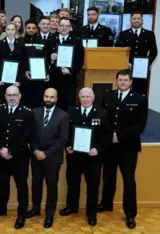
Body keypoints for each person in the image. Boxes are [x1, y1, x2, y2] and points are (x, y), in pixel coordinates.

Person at [98, 70, 148, 229]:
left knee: (128, 180)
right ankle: (106, 204)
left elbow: (139, 125)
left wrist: (119, 136)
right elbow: (102, 117)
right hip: (109, 145)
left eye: (126, 80)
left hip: (128, 146)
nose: (123, 82)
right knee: (108, 176)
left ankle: (130, 213)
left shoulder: (140, 99)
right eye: (120, 80)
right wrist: (109, 136)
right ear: (116, 80)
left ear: (131, 81)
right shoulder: (108, 95)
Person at [60, 87, 112, 226]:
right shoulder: (71, 111)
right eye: (82, 97)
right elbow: (65, 133)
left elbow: (107, 136)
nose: (85, 99)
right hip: (74, 157)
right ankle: (72, 206)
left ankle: (91, 213)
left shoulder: (102, 114)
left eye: (88, 96)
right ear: (79, 98)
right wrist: (67, 146)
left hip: (93, 158)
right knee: (72, 183)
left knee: (93, 187)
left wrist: (98, 149)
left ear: (93, 98)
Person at [0, 86, 34, 229]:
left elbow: (27, 136)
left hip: (19, 157)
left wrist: (11, 151)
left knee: (21, 186)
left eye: (15, 95)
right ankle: (1, 209)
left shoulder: (27, 112)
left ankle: (22, 214)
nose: (12, 97)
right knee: (3, 183)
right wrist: (1, 148)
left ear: (20, 96)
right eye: (9, 95)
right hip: (1, 155)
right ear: (5, 96)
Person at [26, 88, 69, 229]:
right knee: (36, 184)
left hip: (52, 158)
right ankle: (36, 209)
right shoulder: (34, 112)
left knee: (51, 187)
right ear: (43, 97)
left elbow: (63, 139)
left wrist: (46, 153)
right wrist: (35, 150)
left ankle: (49, 214)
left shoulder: (63, 115)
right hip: (36, 156)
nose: (48, 99)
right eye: (46, 96)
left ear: (56, 99)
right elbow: (29, 135)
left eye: (52, 97)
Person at [46, 17, 85, 110]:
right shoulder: (50, 41)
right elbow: (45, 58)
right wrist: (50, 59)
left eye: (67, 26)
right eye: (62, 25)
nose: (64, 28)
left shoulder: (77, 41)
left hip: (69, 80)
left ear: (70, 28)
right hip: (54, 79)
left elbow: (80, 61)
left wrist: (70, 71)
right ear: (58, 27)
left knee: (69, 107)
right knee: (53, 106)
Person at [115, 11, 157, 95]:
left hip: (142, 70)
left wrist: (147, 63)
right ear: (130, 20)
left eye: (138, 19)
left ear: (142, 20)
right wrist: (126, 62)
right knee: (124, 91)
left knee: (140, 92)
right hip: (126, 69)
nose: (136, 20)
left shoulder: (149, 34)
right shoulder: (123, 34)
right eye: (134, 18)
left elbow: (154, 51)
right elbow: (118, 51)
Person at [0, 22, 27, 107]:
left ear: (16, 31)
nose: (10, 32)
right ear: (5, 31)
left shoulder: (21, 44)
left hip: (15, 81)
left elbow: (23, 64)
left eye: (12, 29)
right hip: (2, 81)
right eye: (8, 29)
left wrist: (19, 80)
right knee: (1, 103)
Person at [23, 19, 50, 108]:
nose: (31, 30)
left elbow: (47, 59)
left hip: (39, 79)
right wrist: (24, 71)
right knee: (25, 102)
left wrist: (47, 73)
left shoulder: (43, 42)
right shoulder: (20, 42)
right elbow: (19, 59)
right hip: (25, 79)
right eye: (29, 28)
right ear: (25, 29)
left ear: (37, 29)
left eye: (33, 28)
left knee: (38, 103)